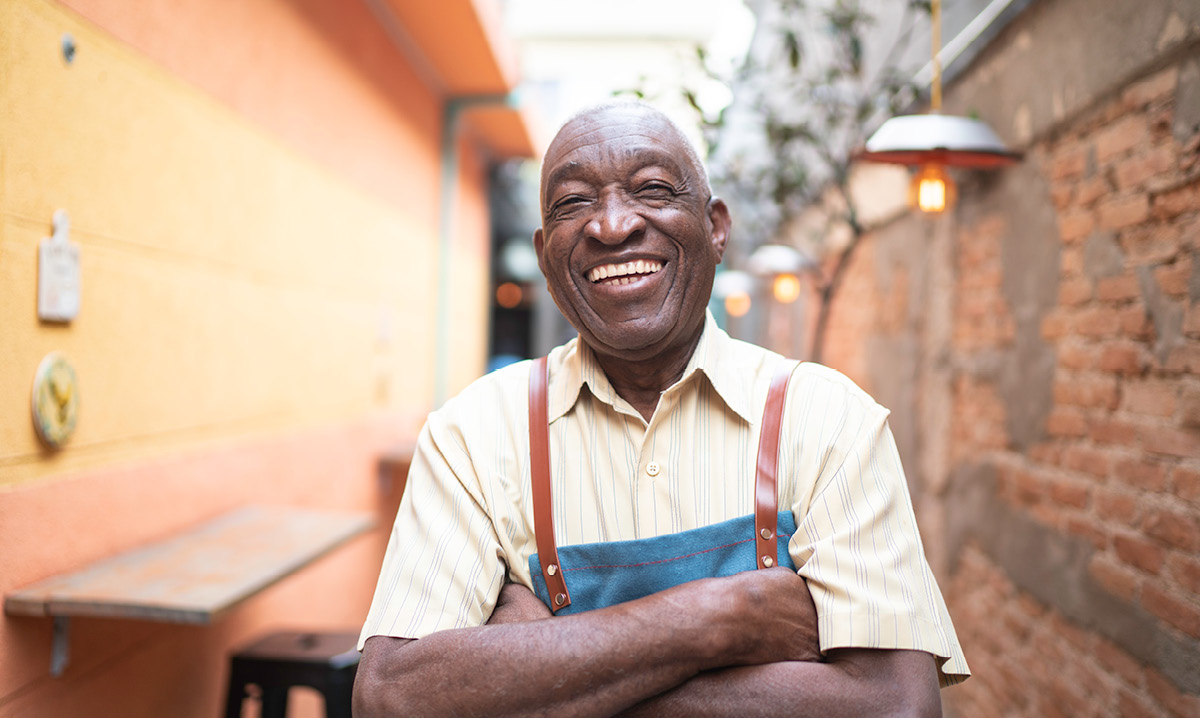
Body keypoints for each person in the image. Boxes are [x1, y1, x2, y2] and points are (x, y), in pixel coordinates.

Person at [354, 101, 969, 717]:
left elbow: (894, 707)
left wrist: (534, 666)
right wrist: (722, 618)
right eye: (573, 202)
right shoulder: (472, 436)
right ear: (545, 255)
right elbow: (392, 699)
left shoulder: (828, 420)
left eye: (652, 188)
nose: (613, 226)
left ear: (717, 227)